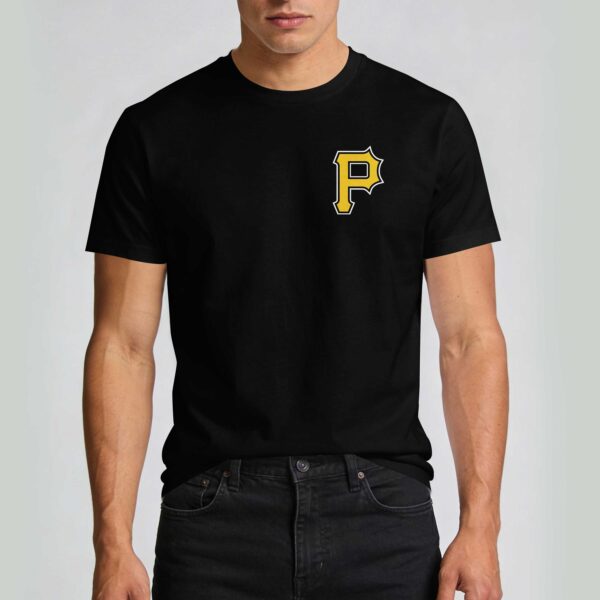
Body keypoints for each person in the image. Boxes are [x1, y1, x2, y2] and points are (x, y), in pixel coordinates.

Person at [83, 1, 508, 599]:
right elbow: (122, 345)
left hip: (382, 518)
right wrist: (111, 541)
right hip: (214, 525)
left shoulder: (425, 124)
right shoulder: (155, 132)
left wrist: (481, 527)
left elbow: (470, 339)